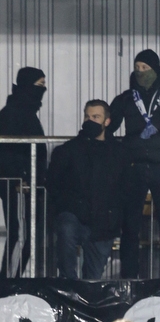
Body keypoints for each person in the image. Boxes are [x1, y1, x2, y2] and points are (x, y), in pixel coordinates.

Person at [109, 50, 160, 279]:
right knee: (130, 225)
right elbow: (109, 126)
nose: (141, 72)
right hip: (135, 166)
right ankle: (129, 277)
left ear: (156, 69)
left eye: (145, 68)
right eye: (137, 67)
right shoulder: (125, 98)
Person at [46, 100, 128, 279]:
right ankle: (68, 286)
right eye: (87, 116)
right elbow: (53, 183)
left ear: (107, 121)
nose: (90, 121)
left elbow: (124, 187)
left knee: (93, 279)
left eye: (96, 117)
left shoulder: (119, 153)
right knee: (66, 231)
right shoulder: (68, 150)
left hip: (104, 221)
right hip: (75, 213)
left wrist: (115, 216)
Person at [0, 67, 47, 277]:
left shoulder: (22, 110)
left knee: (24, 235)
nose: (43, 89)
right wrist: (21, 179)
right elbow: (7, 152)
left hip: (26, 183)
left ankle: (10, 280)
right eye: (39, 85)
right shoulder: (14, 113)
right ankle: (10, 284)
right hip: (19, 185)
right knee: (20, 234)